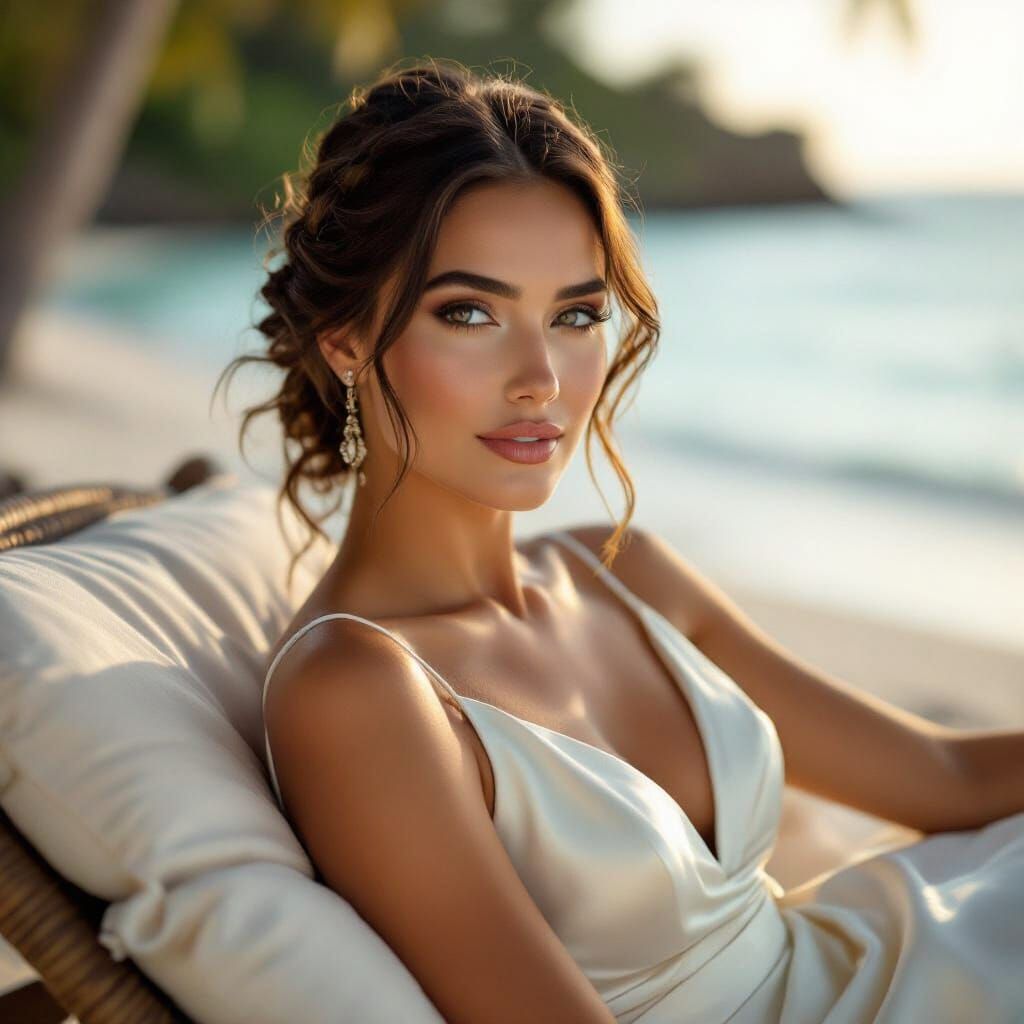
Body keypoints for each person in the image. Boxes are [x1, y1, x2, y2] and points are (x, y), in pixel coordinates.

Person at [217, 59, 1024, 1024]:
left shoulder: (620, 570)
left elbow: (948, 778)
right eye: (469, 313)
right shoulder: (354, 689)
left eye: (576, 315)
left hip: (914, 954)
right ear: (346, 339)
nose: (542, 380)